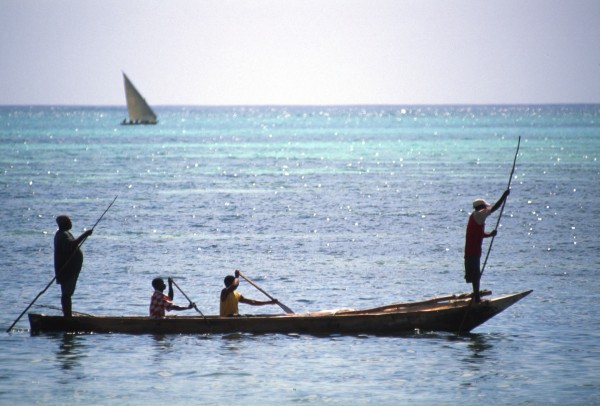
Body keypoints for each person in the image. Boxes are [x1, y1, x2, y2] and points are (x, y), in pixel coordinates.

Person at [464, 189, 510, 302]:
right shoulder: (479, 214)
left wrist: (490, 234)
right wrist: (504, 196)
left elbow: (479, 234)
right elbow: (494, 208)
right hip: (473, 251)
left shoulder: (474, 217)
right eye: (484, 207)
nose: (485, 209)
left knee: (475, 276)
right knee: (475, 276)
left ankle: (476, 296)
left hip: (472, 251)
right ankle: (477, 298)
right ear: (481, 207)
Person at [54, 215, 93, 317]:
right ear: (63, 223)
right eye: (69, 221)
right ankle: (67, 317)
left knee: (68, 293)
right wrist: (85, 234)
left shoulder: (66, 233)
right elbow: (71, 245)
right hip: (67, 270)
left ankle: (68, 315)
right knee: (66, 294)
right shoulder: (62, 235)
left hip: (71, 270)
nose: (71, 223)